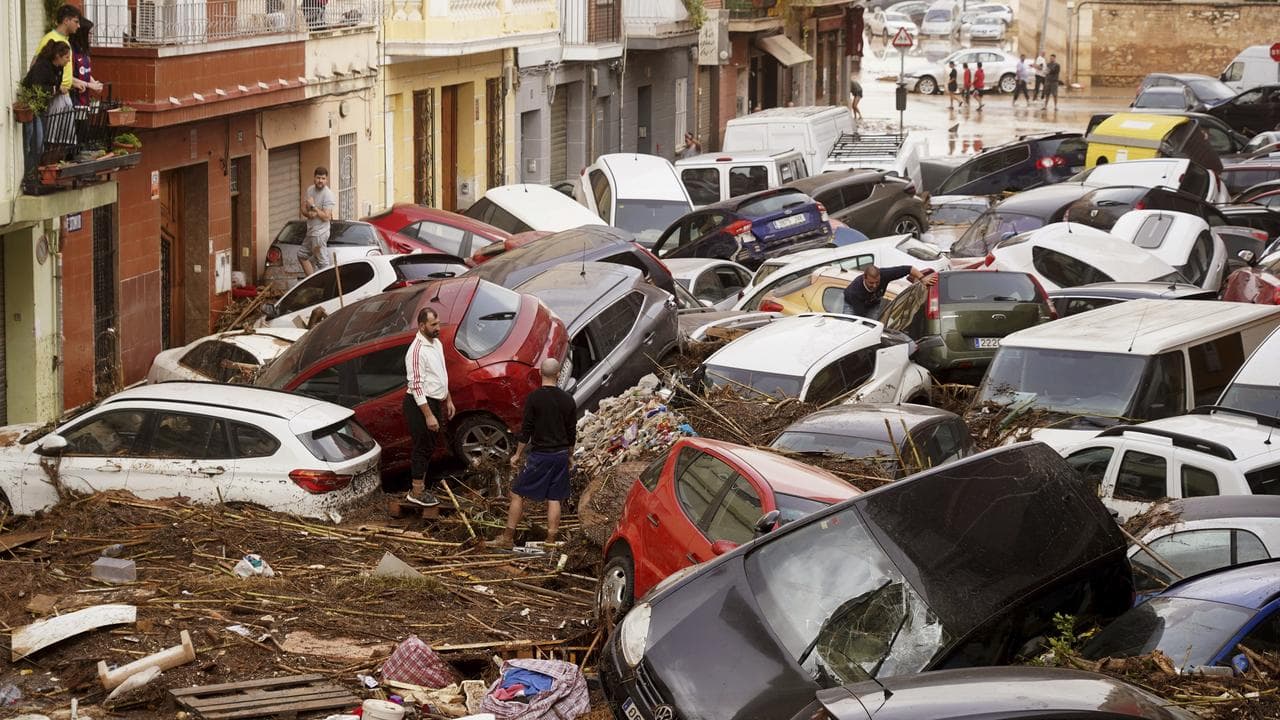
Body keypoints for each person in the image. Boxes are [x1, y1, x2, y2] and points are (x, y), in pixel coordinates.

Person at [493, 358, 577, 549]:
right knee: (554, 498)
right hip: (560, 455)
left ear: (540, 373)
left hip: (541, 456)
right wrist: (570, 455)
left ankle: (507, 537)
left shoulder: (534, 398)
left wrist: (517, 454)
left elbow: (526, 430)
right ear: (558, 374)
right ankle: (550, 540)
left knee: (516, 493)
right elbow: (571, 432)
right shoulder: (568, 400)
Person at [403, 307, 455, 507]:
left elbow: (441, 374)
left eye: (438, 323)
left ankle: (421, 487)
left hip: (435, 401)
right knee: (422, 447)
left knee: (431, 445)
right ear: (422, 325)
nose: (437, 328)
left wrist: (448, 398)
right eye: (433, 325)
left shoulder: (436, 343)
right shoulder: (416, 351)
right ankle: (416, 492)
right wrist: (428, 415)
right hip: (420, 404)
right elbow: (416, 385)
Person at [20, 41, 72, 193]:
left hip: (43, 107)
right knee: (33, 141)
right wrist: (56, 88)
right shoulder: (42, 66)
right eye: (66, 57)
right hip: (32, 106)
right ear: (57, 56)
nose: (68, 60)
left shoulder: (59, 68)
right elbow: (36, 86)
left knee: (40, 143)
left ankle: (34, 174)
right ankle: (29, 177)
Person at [842, 264, 937, 320]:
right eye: (871, 283)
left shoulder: (885, 274)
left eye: (877, 282)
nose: (874, 286)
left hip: (873, 303)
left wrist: (922, 278)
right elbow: (861, 317)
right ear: (864, 278)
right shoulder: (855, 291)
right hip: (852, 304)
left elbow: (909, 269)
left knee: (872, 326)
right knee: (852, 327)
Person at [299, 166, 336, 276]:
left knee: (323, 263)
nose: (320, 181)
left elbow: (326, 217)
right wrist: (308, 214)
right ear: (314, 178)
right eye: (318, 178)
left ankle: (326, 289)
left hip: (320, 233)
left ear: (326, 179)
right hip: (311, 231)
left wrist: (314, 207)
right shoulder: (310, 189)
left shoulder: (328, 195)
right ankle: (312, 283)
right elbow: (303, 208)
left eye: (323, 178)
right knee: (301, 255)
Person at [69, 17, 104, 109]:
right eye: (89, 33)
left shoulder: (84, 51)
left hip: (84, 101)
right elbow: (68, 77)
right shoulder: (71, 51)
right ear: (81, 34)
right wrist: (90, 85)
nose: (91, 35)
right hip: (73, 100)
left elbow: (85, 71)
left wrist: (94, 83)